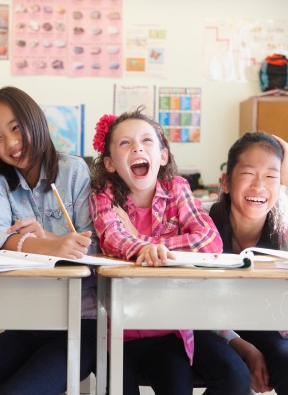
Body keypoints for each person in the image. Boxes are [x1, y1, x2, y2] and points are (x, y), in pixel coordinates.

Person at [0, 86, 98, 395]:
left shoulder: (73, 170)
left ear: (34, 120)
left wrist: (51, 238)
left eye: (16, 128)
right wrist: (50, 245)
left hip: (81, 325)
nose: (11, 144)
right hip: (24, 323)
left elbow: (94, 248)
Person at [89, 109, 241, 395]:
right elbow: (112, 238)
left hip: (168, 330)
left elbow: (210, 241)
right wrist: (150, 247)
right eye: (125, 143)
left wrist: (143, 242)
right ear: (109, 163)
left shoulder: (177, 188)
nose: (137, 147)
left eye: (147, 140)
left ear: (163, 156)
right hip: (115, 334)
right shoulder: (103, 194)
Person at [206, 131, 288, 395]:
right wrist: (242, 346)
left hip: (269, 329)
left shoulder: (285, 229)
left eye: (271, 176)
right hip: (212, 330)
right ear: (225, 182)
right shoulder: (202, 226)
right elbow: (195, 305)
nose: (260, 186)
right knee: (232, 377)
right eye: (248, 174)